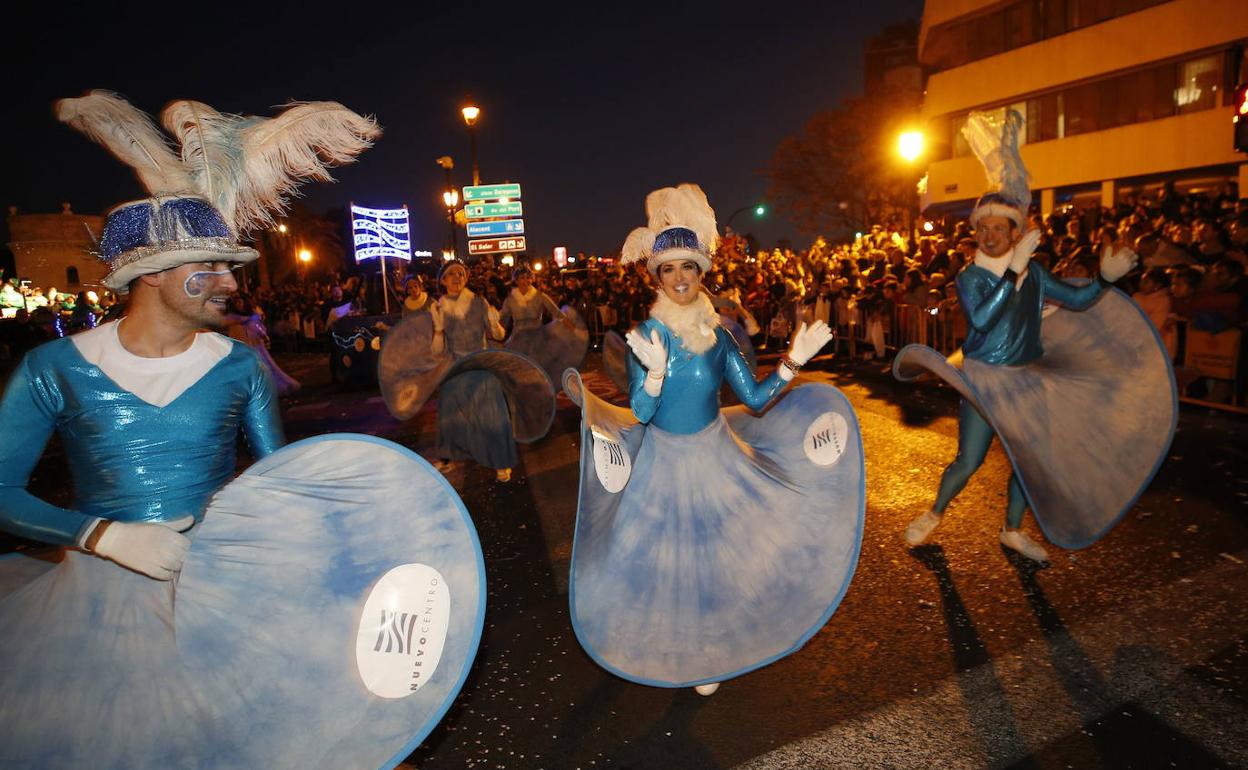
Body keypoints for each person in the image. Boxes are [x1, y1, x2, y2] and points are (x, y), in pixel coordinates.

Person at [0, 91, 484, 769]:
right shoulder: (54, 367)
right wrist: (102, 536)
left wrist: (381, 508)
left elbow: (278, 483)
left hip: (225, 587)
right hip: (103, 610)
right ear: (153, 274)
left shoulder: (238, 366)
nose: (229, 282)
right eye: (210, 268)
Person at [565, 184, 864, 696]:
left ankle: (713, 649)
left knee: (716, 552)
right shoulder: (647, 335)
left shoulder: (720, 335)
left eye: (688, 268)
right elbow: (640, 411)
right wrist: (653, 375)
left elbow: (753, 398)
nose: (680, 278)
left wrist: (794, 361)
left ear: (702, 272)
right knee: (670, 556)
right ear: (656, 276)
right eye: (668, 269)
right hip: (664, 462)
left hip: (716, 453)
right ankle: (671, 639)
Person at [897, 109, 1175, 562]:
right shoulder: (972, 277)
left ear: (1015, 231)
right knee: (968, 461)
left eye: (997, 228)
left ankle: (1012, 530)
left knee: (1031, 467)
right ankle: (934, 513)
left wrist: (1104, 279)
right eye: (982, 228)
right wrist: (1012, 271)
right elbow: (984, 321)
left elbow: (1080, 301)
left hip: (1029, 380)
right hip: (985, 379)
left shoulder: (1036, 273)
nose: (988, 235)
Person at [499, 265, 587, 384]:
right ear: (516, 280)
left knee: (538, 372)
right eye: (522, 278)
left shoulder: (540, 296)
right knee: (520, 373)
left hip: (537, 337)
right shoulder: (510, 299)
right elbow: (503, 319)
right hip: (518, 338)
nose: (525, 281)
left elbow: (558, 314)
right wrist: (496, 334)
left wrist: (575, 331)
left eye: (527, 277)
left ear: (532, 279)